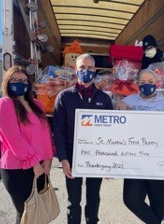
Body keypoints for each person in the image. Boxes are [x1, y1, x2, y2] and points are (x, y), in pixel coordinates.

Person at [53, 53, 113, 224]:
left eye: (90, 68)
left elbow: (111, 133)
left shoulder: (104, 98)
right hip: (73, 155)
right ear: (75, 70)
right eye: (82, 67)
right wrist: (63, 158)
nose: (86, 71)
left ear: (95, 70)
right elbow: (58, 130)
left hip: (96, 156)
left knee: (93, 197)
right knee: (74, 200)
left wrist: (108, 161)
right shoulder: (64, 97)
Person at [0, 65, 54, 224]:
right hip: (17, 169)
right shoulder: (4, 104)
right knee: (26, 213)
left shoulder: (37, 105)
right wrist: (34, 162)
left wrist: (48, 159)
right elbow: (14, 138)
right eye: (15, 80)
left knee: (39, 213)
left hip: (40, 165)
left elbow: (45, 134)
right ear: (7, 82)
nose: (19, 83)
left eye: (23, 80)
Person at [116, 68, 164, 224]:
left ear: (157, 83)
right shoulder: (130, 100)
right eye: (143, 82)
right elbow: (116, 118)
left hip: (158, 161)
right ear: (137, 84)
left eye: (150, 82)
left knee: (156, 199)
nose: (147, 85)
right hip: (135, 161)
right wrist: (119, 103)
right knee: (131, 200)